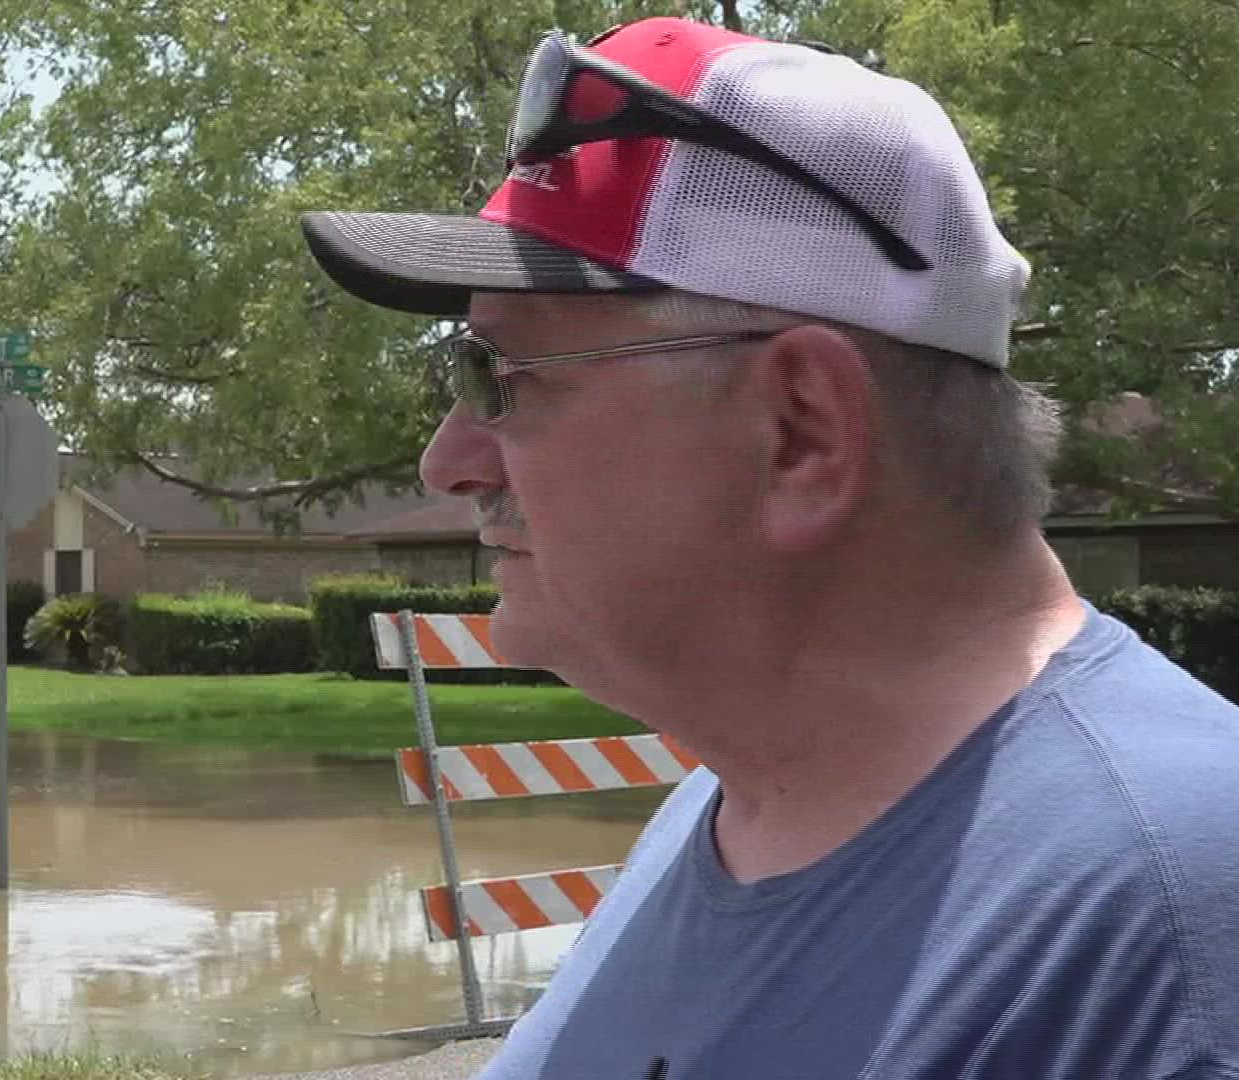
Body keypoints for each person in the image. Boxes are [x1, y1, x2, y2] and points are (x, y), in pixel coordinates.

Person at [300, 16, 1239, 1080]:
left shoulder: (1176, 930)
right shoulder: (736, 807)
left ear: (798, 433)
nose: (448, 462)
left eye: (500, 379)